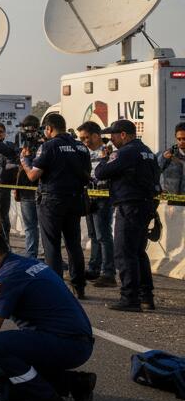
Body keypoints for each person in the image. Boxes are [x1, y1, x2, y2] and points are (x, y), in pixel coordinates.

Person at [0, 232, 95, 401]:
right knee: (10, 354)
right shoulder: (24, 264)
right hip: (75, 341)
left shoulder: (7, 277)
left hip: (67, 344)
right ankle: (75, 384)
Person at [17, 112, 91, 299]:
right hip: (74, 199)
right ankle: (79, 285)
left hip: (52, 201)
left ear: (49, 129)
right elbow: (87, 174)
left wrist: (25, 161)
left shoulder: (48, 146)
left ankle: (55, 288)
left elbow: (33, 175)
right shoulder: (81, 147)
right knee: (74, 244)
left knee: (52, 245)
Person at [94, 119, 161, 312]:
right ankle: (146, 296)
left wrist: (106, 157)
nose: (111, 140)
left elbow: (100, 173)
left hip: (129, 206)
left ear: (123, 134)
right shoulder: (146, 151)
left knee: (123, 252)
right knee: (138, 253)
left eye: (113, 136)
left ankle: (129, 298)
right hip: (145, 205)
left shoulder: (125, 152)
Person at [76, 122, 115, 288]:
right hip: (88, 197)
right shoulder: (83, 151)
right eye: (81, 138)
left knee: (103, 235)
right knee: (93, 235)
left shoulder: (109, 151)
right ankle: (94, 268)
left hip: (104, 197)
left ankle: (108, 273)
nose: (85, 141)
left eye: (86, 137)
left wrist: (107, 158)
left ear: (96, 135)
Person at [14, 115, 42, 260]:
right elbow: (15, 156)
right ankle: (31, 256)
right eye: (27, 128)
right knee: (30, 227)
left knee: (45, 227)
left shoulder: (44, 143)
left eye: (33, 128)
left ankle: (49, 255)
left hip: (40, 189)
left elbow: (39, 165)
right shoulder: (20, 140)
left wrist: (28, 157)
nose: (30, 132)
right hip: (25, 189)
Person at [160, 121, 185, 195]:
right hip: (172, 202)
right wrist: (163, 158)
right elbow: (155, 171)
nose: (182, 142)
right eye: (179, 139)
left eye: (184, 139)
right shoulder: (167, 155)